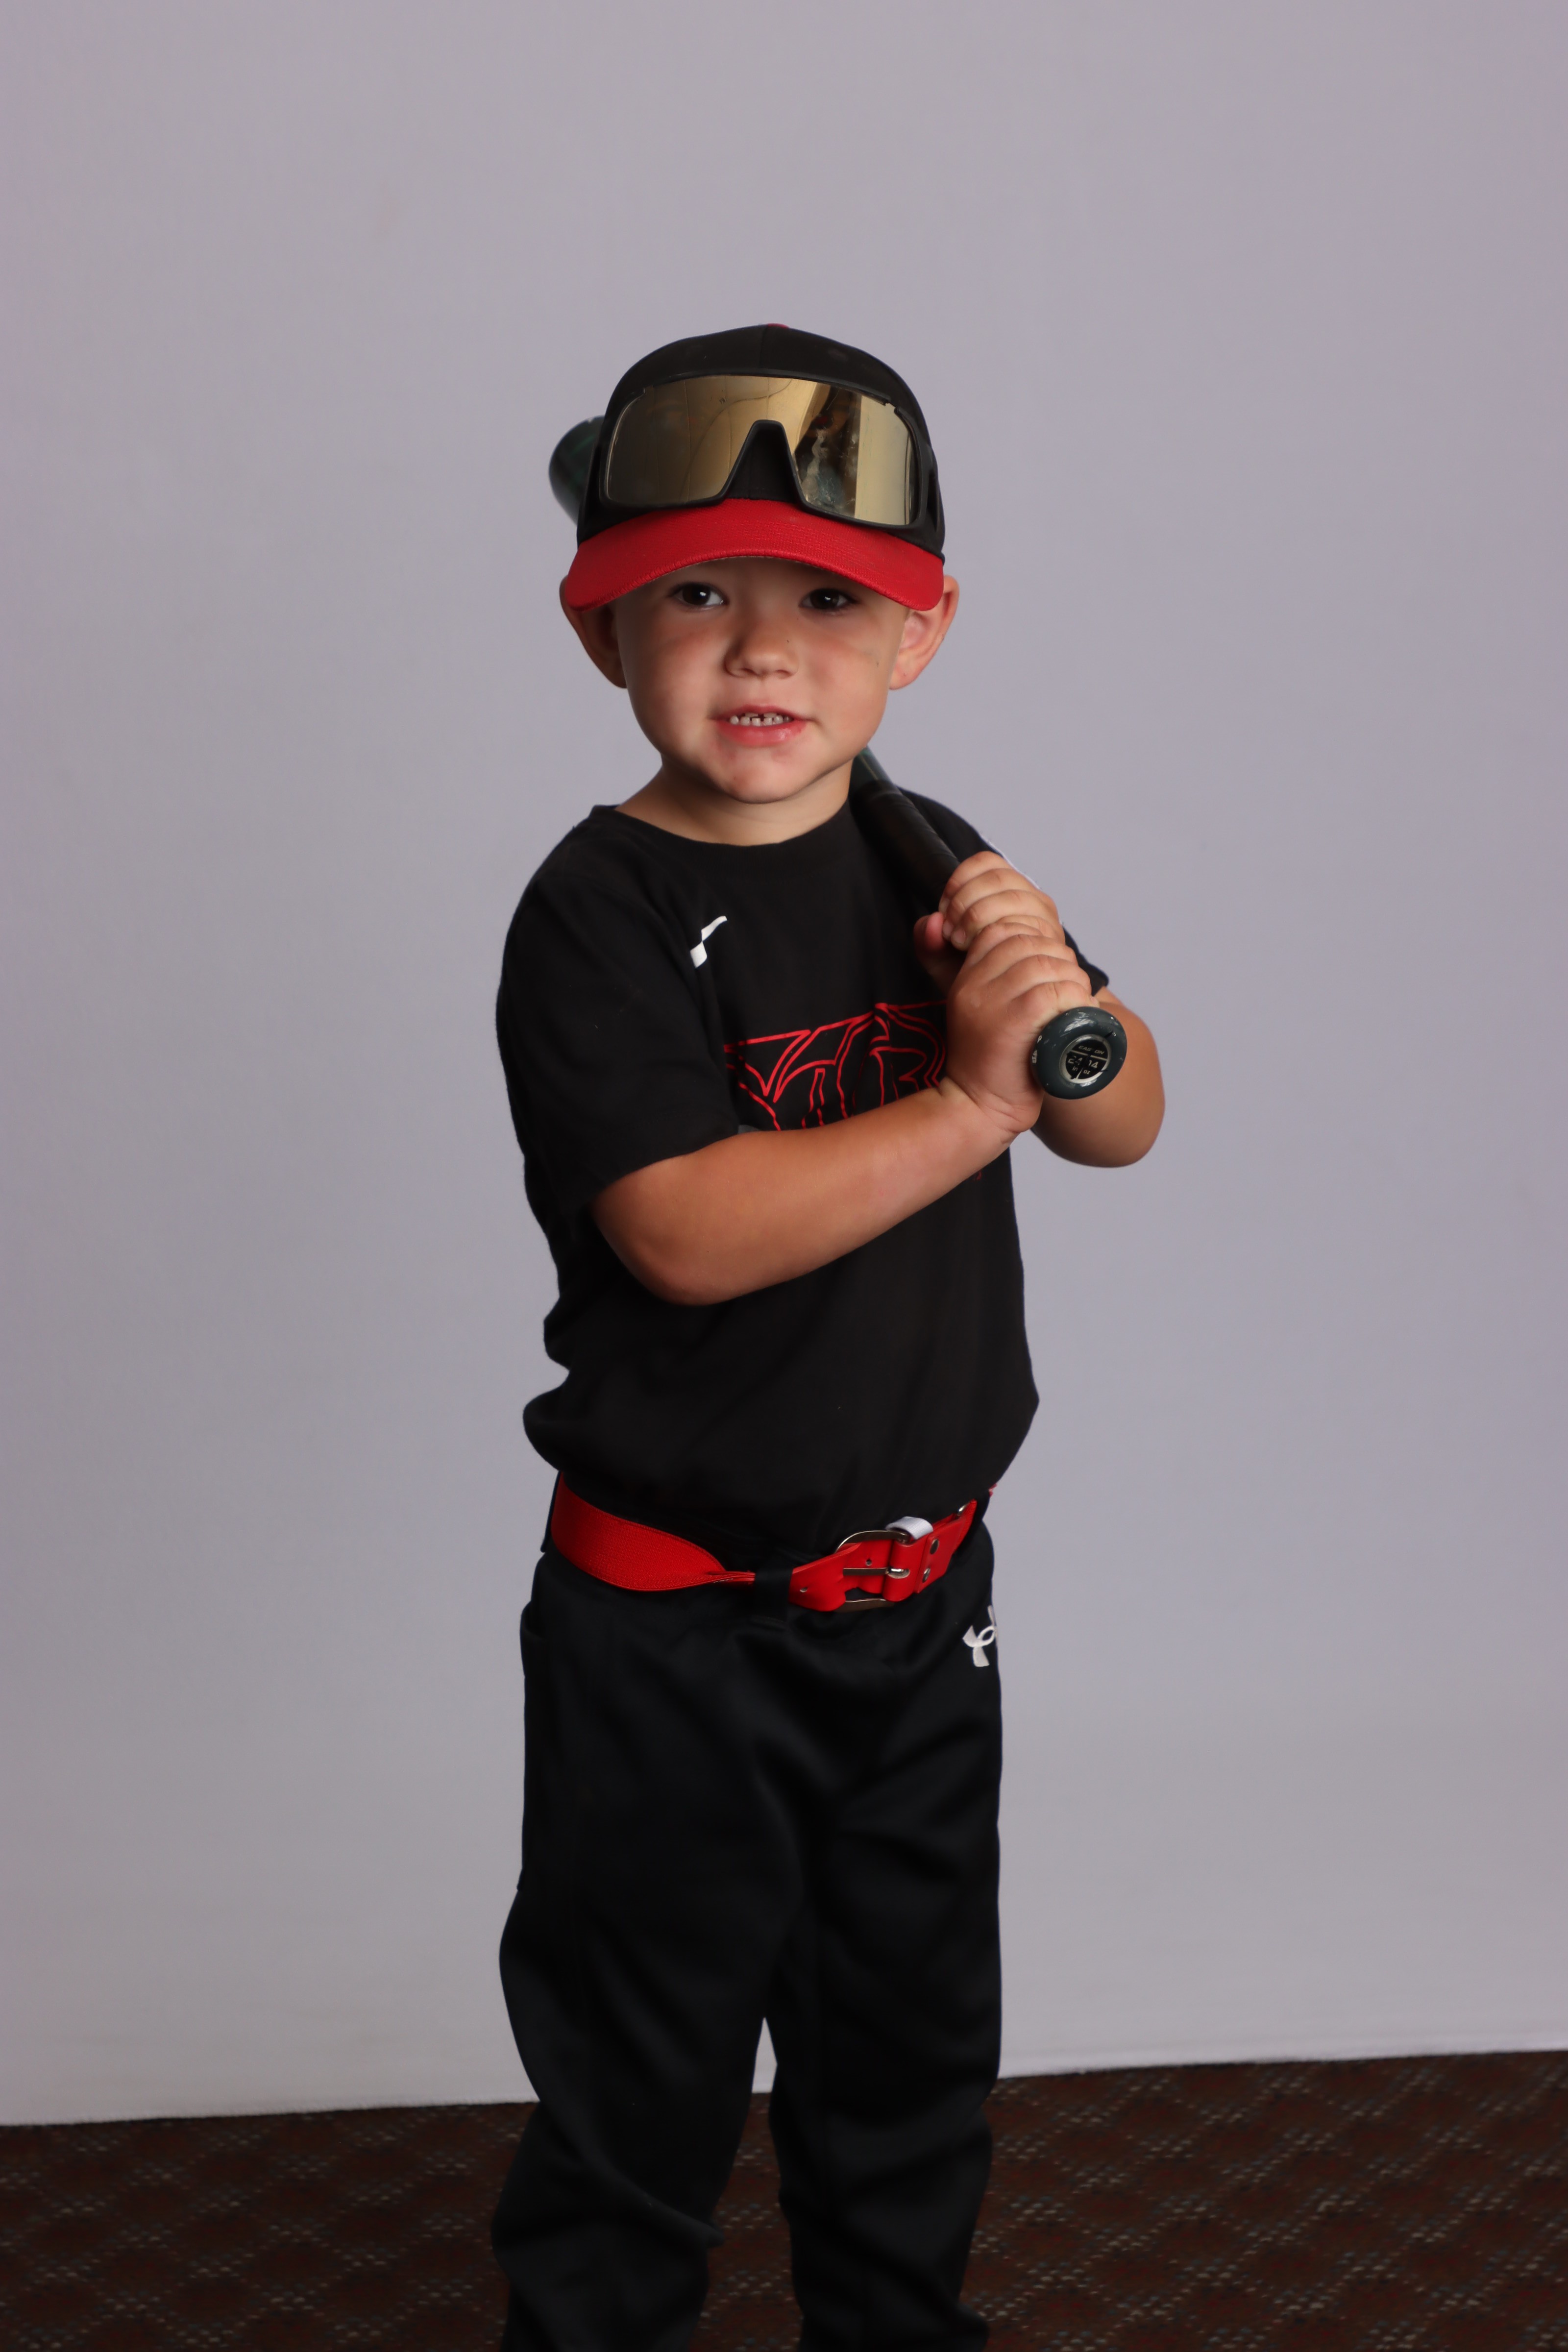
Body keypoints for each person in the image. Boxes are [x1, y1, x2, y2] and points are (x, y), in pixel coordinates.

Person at [490, 323, 1164, 2352]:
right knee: (646, 2075)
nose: (765, 651)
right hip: (676, 1631)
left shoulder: (924, 849)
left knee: (905, 2062)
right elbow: (687, 1236)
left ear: (920, 633)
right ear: (602, 629)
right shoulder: (595, 911)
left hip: (921, 1609)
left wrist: (1061, 1004)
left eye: (830, 602)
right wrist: (966, 1100)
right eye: (697, 594)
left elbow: (1118, 1122)